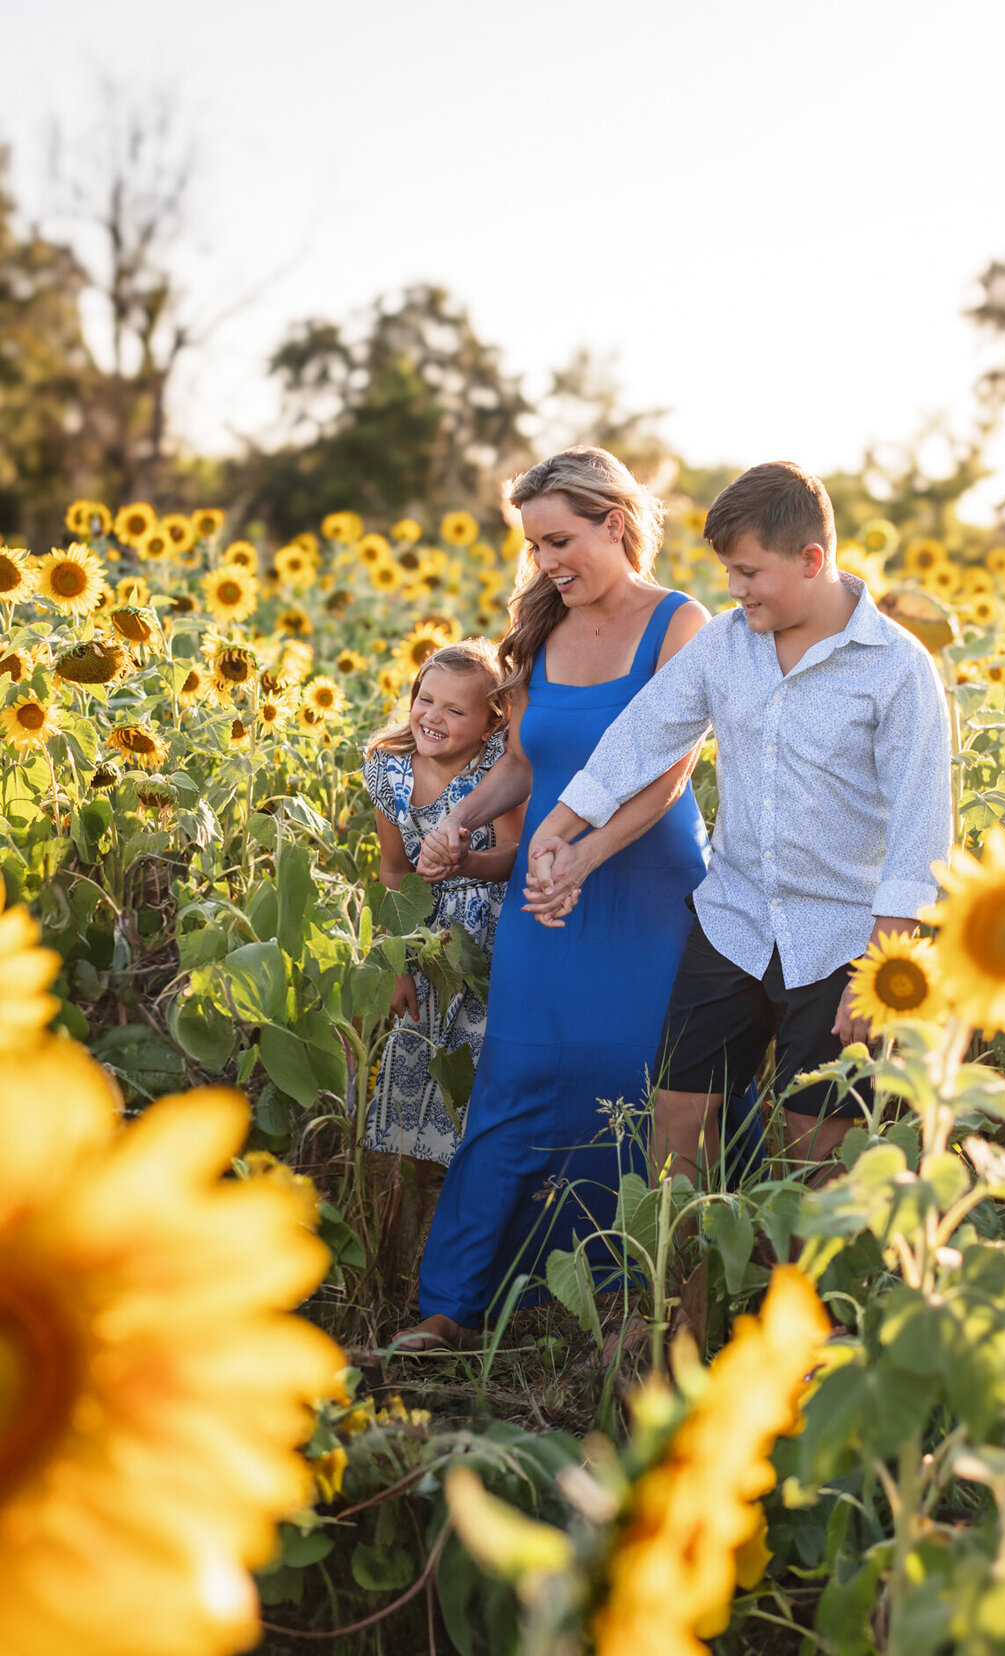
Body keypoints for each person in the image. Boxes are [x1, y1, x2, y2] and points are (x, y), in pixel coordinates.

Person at [528, 460, 954, 1189]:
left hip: (844, 942)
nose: (734, 589)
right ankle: (676, 1291)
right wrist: (561, 826)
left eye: (750, 572)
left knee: (813, 1146)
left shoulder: (896, 668)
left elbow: (922, 825)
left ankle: (796, 1294)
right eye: (728, 570)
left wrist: (883, 975)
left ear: (812, 560)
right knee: (675, 1115)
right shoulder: (728, 643)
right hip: (734, 917)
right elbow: (647, 732)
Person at [397, 447, 712, 1351]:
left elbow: (669, 771)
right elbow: (530, 765)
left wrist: (585, 852)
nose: (547, 564)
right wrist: (462, 822)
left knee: (631, 1087)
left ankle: (614, 1304)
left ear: (617, 522)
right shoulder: (540, 631)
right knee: (515, 1080)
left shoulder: (679, 624)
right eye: (535, 546)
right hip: (546, 889)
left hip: (646, 889)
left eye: (561, 540)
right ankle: (453, 1306)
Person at [361, 640, 524, 1170]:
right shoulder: (388, 772)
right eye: (426, 699)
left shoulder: (496, 770)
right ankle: (412, 1175)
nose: (433, 717)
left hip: (487, 938)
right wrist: (396, 963)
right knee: (418, 1051)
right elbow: (393, 870)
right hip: (424, 939)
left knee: (477, 1060)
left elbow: (511, 854)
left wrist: (465, 864)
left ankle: (470, 1172)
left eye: (455, 710)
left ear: (490, 722)